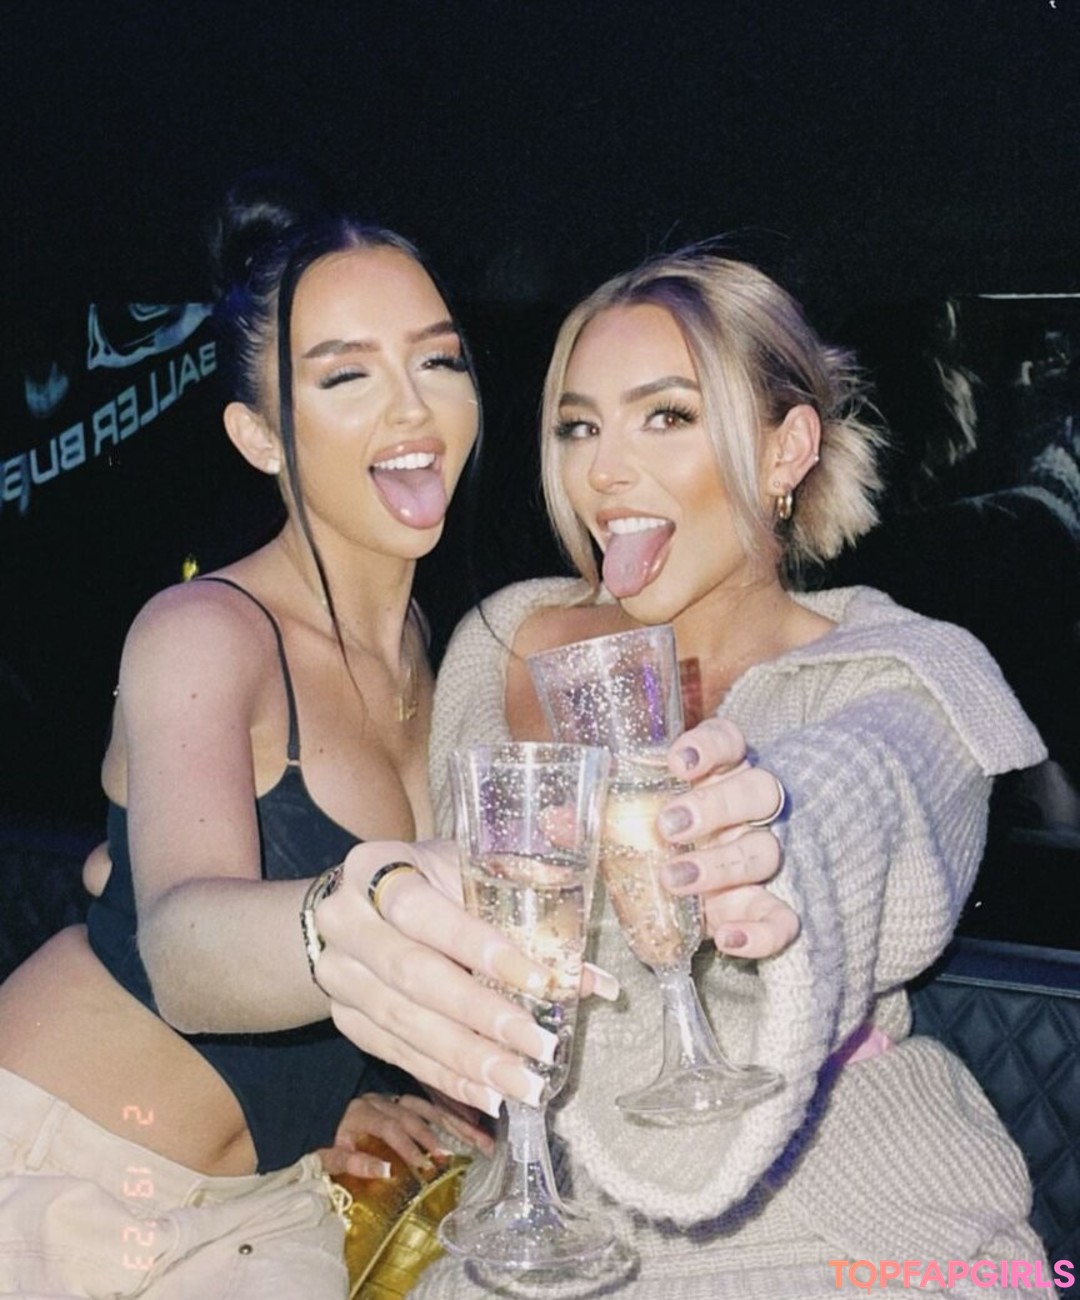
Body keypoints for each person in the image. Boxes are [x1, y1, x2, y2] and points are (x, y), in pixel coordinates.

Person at [418, 251, 1053, 1298]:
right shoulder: (503, 645)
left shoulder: (905, 672)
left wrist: (772, 827)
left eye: (665, 416)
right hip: (542, 1217)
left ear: (784, 448)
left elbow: (872, 789)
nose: (603, 472)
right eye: (578, 427)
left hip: (842, 1204)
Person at [0, 177, 570, 1298]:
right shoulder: (206, 631)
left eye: (437, 360)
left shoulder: (444, 656)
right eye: (346, 375)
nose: (411, 408)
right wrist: (347, 917)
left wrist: (341, 1092)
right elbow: (181, 942)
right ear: (259, 436)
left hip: (262, 1206)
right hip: (52, 1166)